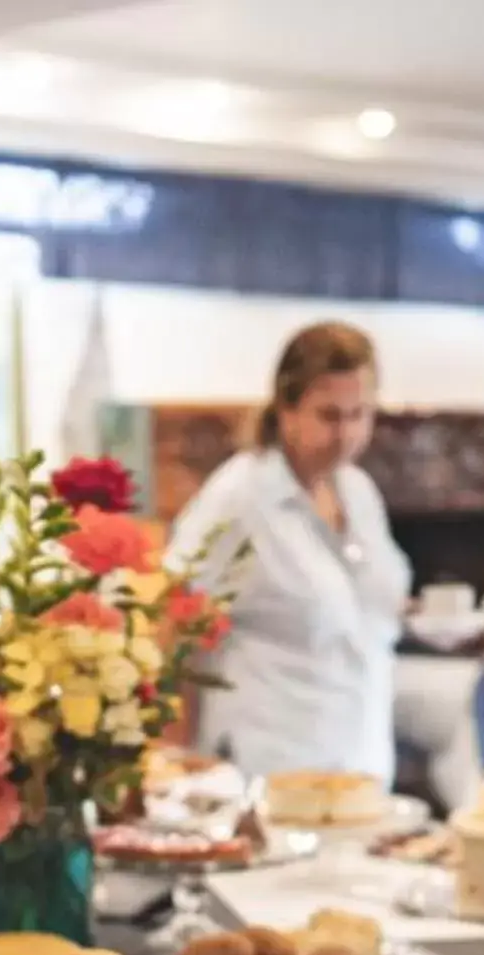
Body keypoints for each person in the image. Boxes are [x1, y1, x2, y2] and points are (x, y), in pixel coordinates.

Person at [169, 321, 408, 786]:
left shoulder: (358, 491)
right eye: (330, 416)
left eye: (360, 414)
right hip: (269, 764)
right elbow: (173, 615)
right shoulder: (240, 496)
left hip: (360, 759)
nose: (346, 434)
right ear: (286, 410)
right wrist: (176, 756)